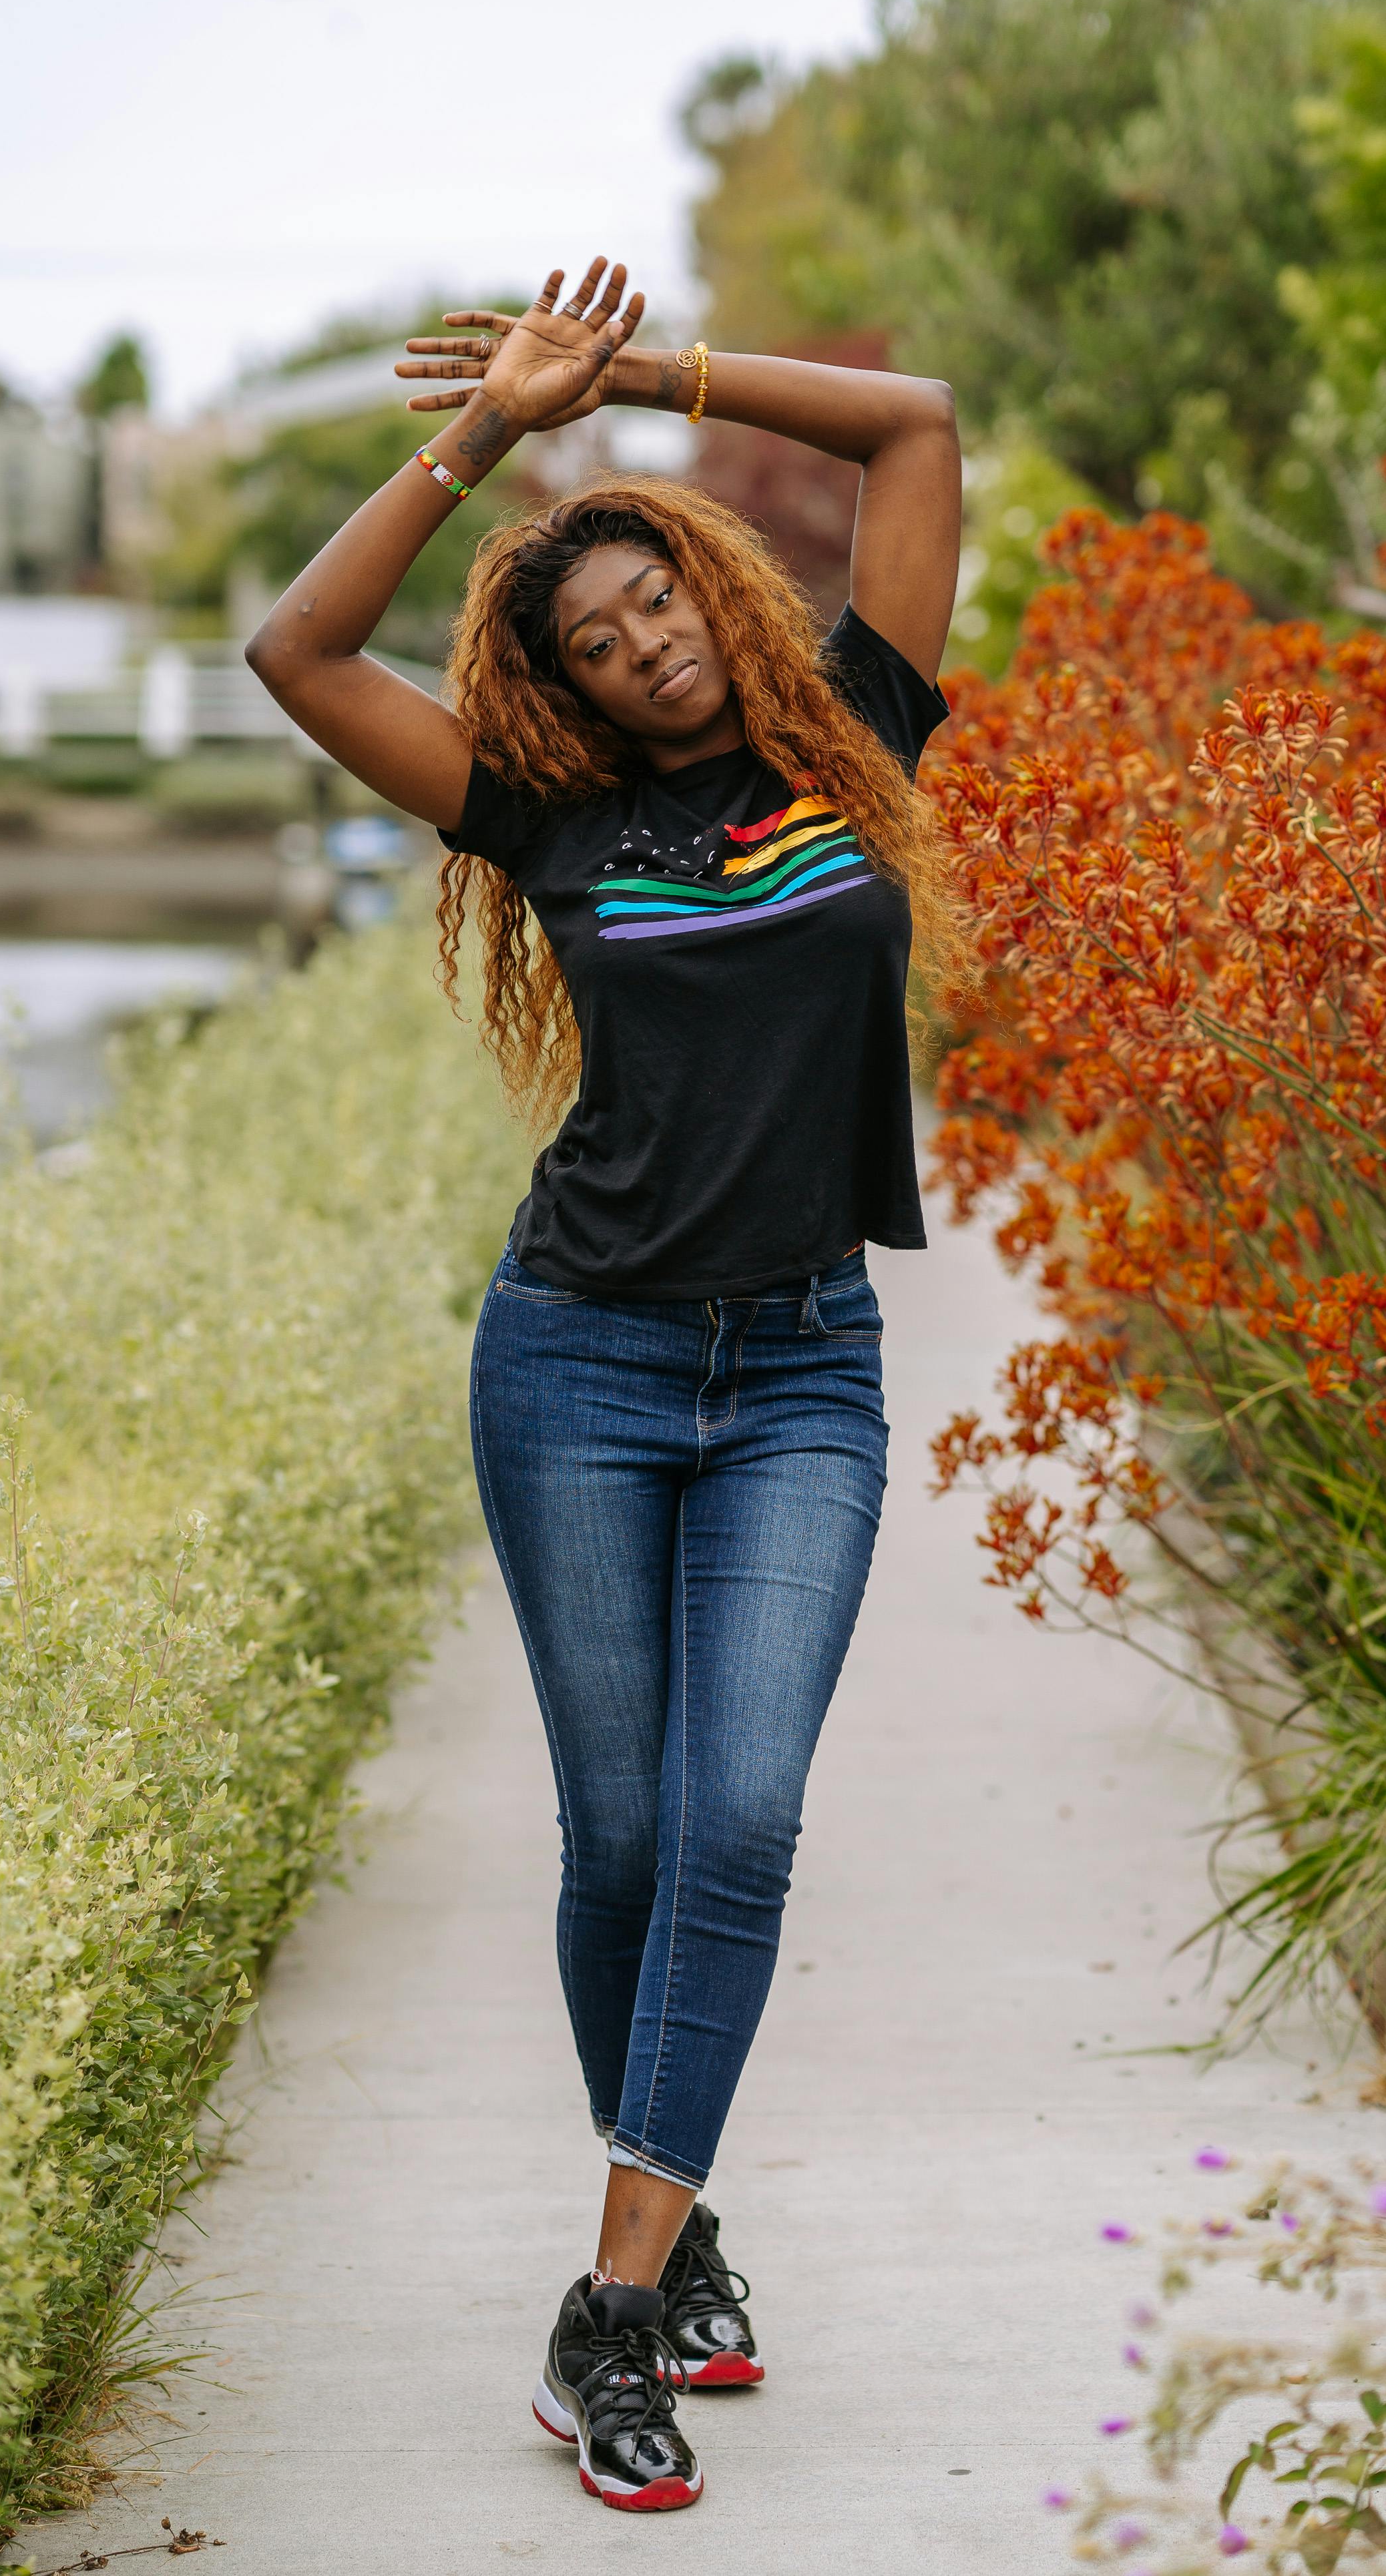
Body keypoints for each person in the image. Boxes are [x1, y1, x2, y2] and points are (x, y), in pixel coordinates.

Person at [247, 258, 963, 2514]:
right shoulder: (537, 818)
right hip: (577, 1359)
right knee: (629, 1838)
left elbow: (917, 429)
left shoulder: (850, 733)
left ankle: (610, 2307)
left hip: (802, 1376)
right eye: (592, 634)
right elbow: (290, 652)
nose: (639, 642)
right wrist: (484, 440)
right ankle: (684, 2229)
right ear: (551, 683)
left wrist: (627, 380)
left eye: (655, 601)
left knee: (735, 1828)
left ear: (713, 593)